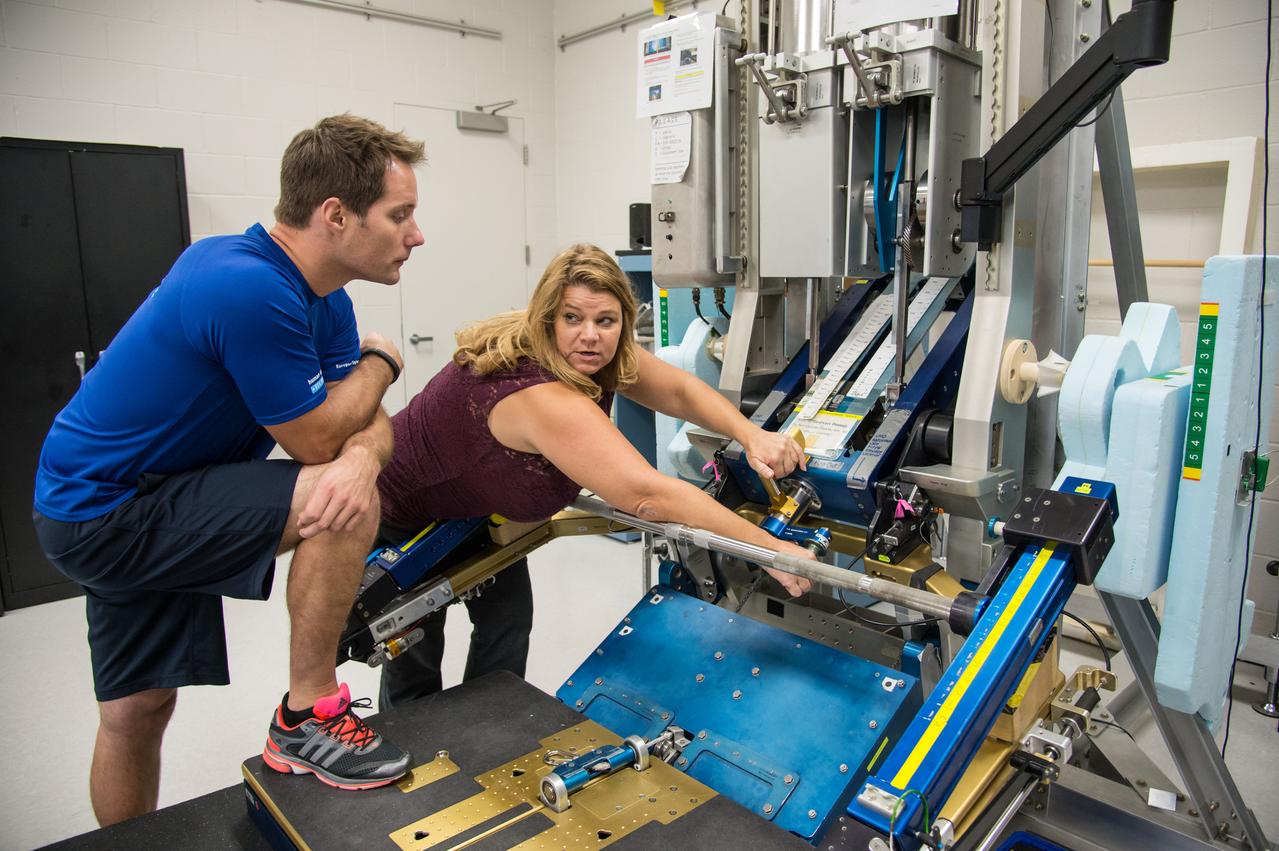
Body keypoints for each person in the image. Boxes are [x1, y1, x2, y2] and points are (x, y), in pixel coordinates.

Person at [31, 114, 426, 825]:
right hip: (104, 509)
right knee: (340, 501)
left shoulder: (326, 300)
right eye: (399, 216)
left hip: (148, 492)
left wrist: (364, 444)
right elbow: (314, 440)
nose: (415, 234)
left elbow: (355, 426)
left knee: (136, 708)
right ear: (335, 215)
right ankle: (306, 717)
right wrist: (383, 366)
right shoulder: (246, 286)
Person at [374, 243, 814, 710]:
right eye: (572, 319)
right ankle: (412, 754)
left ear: (623, 321)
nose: (590, 336)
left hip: (474, 509)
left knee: (507, 619)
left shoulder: (598, 355)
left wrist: (751, 435)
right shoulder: (539, 394)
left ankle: (488, 729)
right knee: (414, 644)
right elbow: (647, 496)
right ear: (547, 318)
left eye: (605, 321)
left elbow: (681, 391)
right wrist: (771, 551)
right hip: (401, 510)